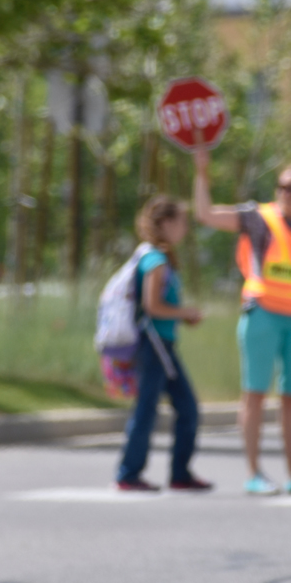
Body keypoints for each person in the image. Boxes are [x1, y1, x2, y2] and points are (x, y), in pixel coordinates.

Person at [193, 150, 291, 496]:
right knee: (255, 393)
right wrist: (201, 172)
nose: (287, 193)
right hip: (263, 315)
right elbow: (205, 214)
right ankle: (255, 473)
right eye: (282, 186)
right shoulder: (259, 219)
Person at [116, 195, 213, 492]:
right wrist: (185, 313)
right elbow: (152, 306)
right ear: (166, 223)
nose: (185, 228)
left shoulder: (161, 258)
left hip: (165, 345)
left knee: (186, 407)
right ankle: (128, 474)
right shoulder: (156, 261)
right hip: (154, 345)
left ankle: (180, 473)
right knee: (148, 407)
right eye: (181, 222)